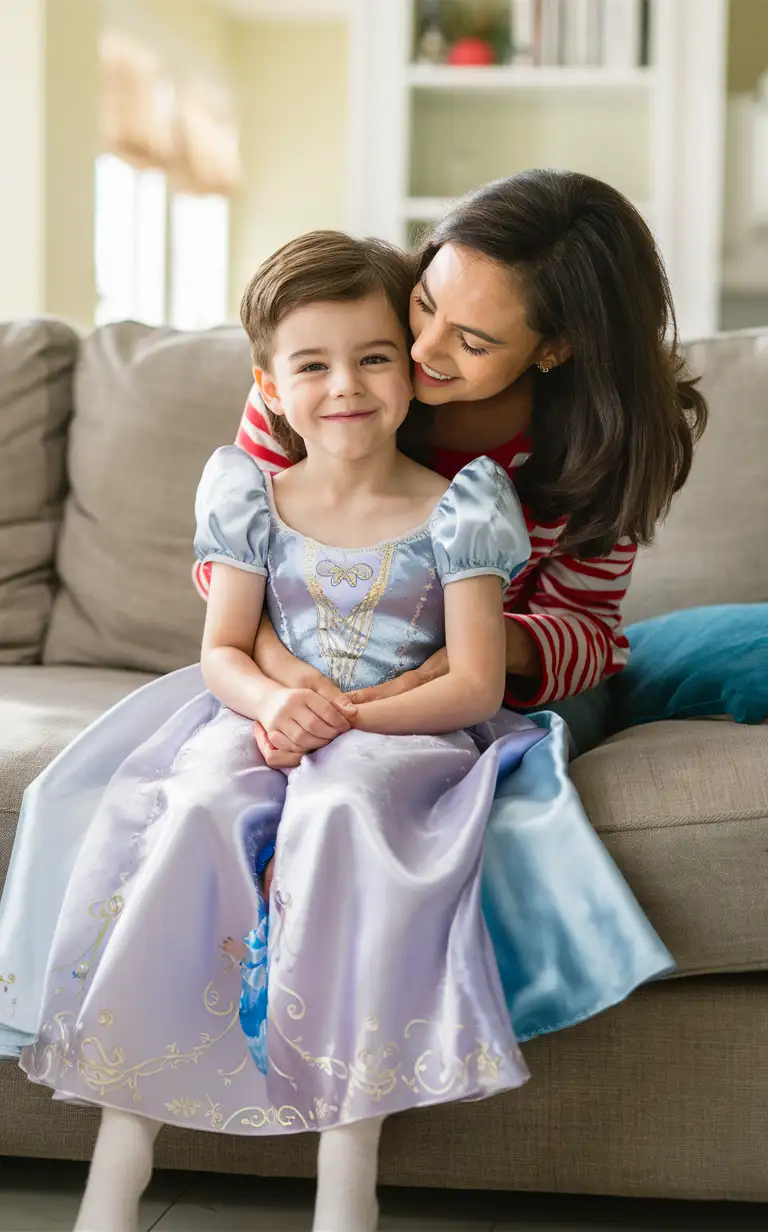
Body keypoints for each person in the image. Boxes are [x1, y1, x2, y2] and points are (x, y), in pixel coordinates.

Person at [0, 229, 672, 1232]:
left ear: (550, 349)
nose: (384, 369)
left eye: (385, 357)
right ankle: (116, 1168)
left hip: (408, 719)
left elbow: (480, 674)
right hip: (269, 706)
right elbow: (225, 638)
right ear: (270, 380)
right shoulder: (249, 484)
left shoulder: (472, 502)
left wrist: (349, 715)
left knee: (346, 809)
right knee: (198, 801)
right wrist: (279, 701)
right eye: (316, 364)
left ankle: (345, 1181)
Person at [196, 169, 707, 773]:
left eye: (472, 341)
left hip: (494, 688)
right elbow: (237, 567)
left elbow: (589, 629)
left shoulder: (599, 444)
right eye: (426, 304)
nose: (420, 351)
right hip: (305, 676)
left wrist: (478, 647)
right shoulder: (331, 381)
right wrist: (289, 680)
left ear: (554, 349)